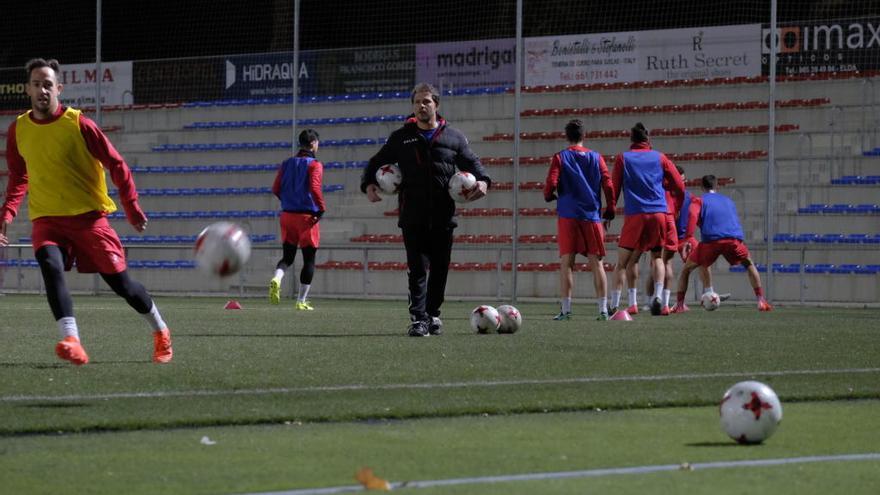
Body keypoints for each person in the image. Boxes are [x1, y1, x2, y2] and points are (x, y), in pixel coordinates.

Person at [0, 58, 172, 365]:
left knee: (123, 286)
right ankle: (72, 339)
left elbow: (116, 163)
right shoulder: (18, 130)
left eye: (48, 84)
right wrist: (7, 215)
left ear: (59, 89)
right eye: (37, 84)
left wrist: (132, 207)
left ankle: (160, 330)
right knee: (50, 265)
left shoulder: (79, 124)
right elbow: (18, 177)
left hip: (89, 219)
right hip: (47, 219)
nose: (42, 90)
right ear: (27, 89)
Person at [361, 82, 490, 337]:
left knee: (440, 269)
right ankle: (418, 319)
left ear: (436, 105)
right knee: (418, 270)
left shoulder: (454, 138)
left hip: (444, 216)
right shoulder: (401, 137)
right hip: (413, 215)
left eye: (426, 101)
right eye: (417, 102)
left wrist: (484, 181)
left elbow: (474, 164)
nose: (421, 106)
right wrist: (368, 185)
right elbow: (376, 162)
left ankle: (433, 315)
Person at [606, 122, 685, 316]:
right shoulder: (660, 157)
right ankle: (657, 296)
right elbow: (679, 186)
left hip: (635, 214)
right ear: (648, 139)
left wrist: (609, 211)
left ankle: (615, 305)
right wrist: (677, 207)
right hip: (658, 213)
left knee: (623, 262)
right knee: (657, 257)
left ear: (631, 140)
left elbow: (613, 188)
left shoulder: (623, 158)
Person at [543, 119, 614, 321]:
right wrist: (610, 208)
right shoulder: (596, 157)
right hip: (591, 215)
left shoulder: (561, 157)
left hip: (568, 215)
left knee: (567, 263)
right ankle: (602, 310)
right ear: (584, 136)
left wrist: (549, 195)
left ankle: (566, 311)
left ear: (567, 137)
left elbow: (551, 182)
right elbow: (608, 184)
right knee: (597, 263)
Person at [674, 175, 773, 312]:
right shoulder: (728, 201)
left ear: (702, 187)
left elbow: (692, 215)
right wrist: (739, 240)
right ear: (717, 186)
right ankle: (761, 301)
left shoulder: (699, 200)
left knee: (686, 270)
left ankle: (679, 305)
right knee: (749, 264)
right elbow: (734, 221)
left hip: (711, 241)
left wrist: (688, 237)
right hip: (733, 239)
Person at [268, 129, 325, 310]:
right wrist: (321, 208)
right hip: (306, 217)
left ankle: (276, 278)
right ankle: (301, 301)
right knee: (309, 260)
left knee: (288, 257)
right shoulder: (315, 165)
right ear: (314, 143)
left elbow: (276, 188)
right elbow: (315, 188)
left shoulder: (286, 163)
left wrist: (288, 201)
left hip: (287, 216)